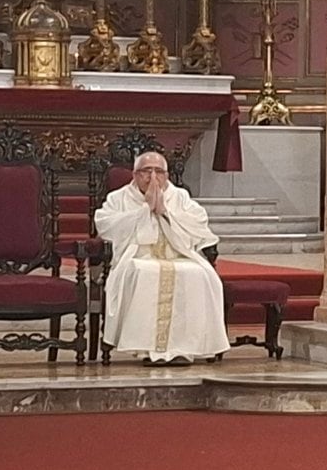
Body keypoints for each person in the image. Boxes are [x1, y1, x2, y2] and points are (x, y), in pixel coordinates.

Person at [94, 152, 230, 366]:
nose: (153, 177)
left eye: (159, 171)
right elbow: (105, 225)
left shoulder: (180, 197)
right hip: (138, 257)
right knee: (144, 273)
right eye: (146, 171)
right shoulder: (118, 198)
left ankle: (185, 349)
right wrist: (144, 210)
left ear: (167, 175)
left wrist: (164, 211)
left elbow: (198, 223)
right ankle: (147, 349)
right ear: (135, 174)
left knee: (201, 274)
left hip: (179, 255)